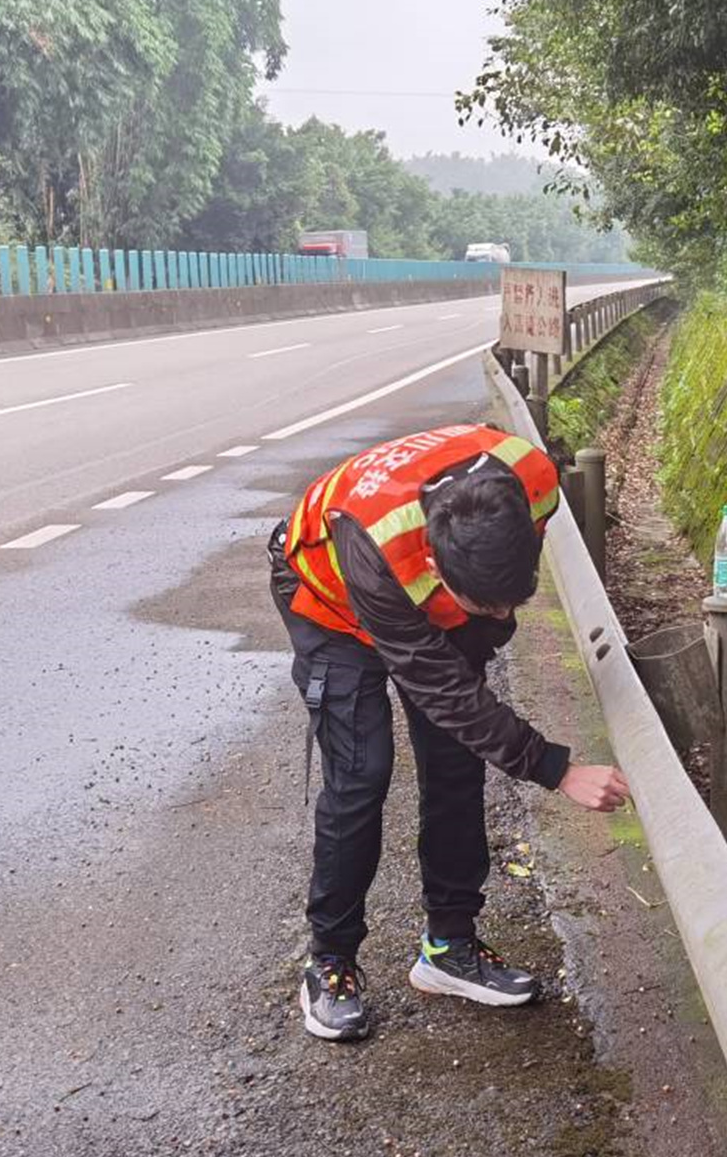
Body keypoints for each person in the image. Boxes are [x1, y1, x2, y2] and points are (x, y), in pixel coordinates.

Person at [268, 422, 629, 1043]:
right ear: (435, 566)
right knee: (362, 775)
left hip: (428, 596)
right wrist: (555, 769)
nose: (504, 620)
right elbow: (441, 689)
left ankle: (449, 947)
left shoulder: (534, 482)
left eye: (512, 604)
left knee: (459, 758)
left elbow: (470, 675)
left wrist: (485, 621)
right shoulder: (377, 545)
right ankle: (329, 962)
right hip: (330, 606)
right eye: (486, 607)